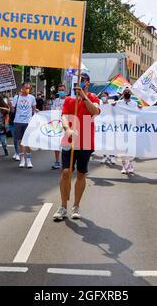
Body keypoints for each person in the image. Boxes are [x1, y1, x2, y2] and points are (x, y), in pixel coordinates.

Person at [53, 73, 101, 221]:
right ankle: (62, 206)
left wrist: (84, 97)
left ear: (87, 83)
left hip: (85, 141)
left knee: (81, 174)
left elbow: (95, 112)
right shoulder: (68, 100)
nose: (78, 85)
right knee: (66, 172)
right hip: (69, 140)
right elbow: (64, 116)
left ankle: (76, 206)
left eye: (82, 82)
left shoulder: (93, 98)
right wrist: (67, 128)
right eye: (76, 83)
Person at [114, 89, 139, 174]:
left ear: (131, 93)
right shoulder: (118, 103)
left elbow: (138, 113)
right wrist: (111, 105)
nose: (127, 93)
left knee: (131, 148)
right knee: (122, 148)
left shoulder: (135, 103)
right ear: (123, 93)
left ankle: (130, 164)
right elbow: (110, 109)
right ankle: (124, 166)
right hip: (121, 128)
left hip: (131, 128)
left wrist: (141, 109)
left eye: (128, 92)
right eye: (125, 92)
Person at [11, 82, 37, 168]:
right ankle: (22, 160)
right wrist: (9, 103)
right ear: (22, 88)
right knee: (20, 141)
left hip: (28, 122)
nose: (27, 90)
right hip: (18, 122)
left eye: (29, 88)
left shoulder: (32, 98)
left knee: (28, 141)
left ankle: (29, 160)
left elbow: (34, 110)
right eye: (26, 88)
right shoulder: (16, 97)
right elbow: (12, 110)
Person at [50, 84, 67, 170]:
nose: (61, 92)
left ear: (65, 91)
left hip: (66, 125)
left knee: (66, 144)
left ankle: (66, 162)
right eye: (60, 90)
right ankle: (57, 162)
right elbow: (52, 111)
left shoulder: (69, 100)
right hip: (57, 125)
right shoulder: (56, 100)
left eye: (62, 90)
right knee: (56, 144)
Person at [99, 92, 115, 165]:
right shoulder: (99, 105)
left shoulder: (112, 104)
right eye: (102, 96)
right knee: (103, 141)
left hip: (111, 126)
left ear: (108, 96)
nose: (103, 97)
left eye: (104, 96)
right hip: (102, 126)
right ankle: (104, 156)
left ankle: (111, 157)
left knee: (111, 141)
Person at [8, 92, 21, 161]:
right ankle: (17, 152)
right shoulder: (15, 99)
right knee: (15, 138)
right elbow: (12, 111)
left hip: (20, 122)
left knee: (19, 138)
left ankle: (19, 152)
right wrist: (10, 104)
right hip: (12, 122)